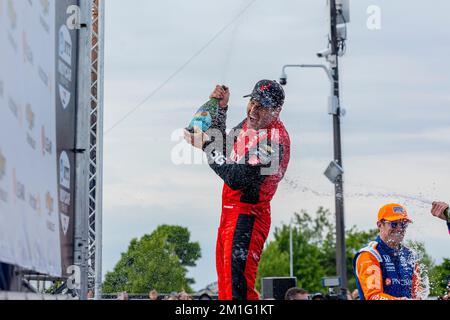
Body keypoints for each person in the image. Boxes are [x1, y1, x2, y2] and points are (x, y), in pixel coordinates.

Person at [184, 80, 291, 300]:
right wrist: (220, 109)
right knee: (225, 287)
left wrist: (205, 145)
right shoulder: (249, 123)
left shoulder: (274, 141)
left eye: (261, 106)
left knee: (237, 290)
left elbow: (235, 177)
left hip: (249, 216)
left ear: (276, 111)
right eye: (252, 102)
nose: (253, 110)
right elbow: (222, 145)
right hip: (229, 212)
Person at [353, 203, 422, 300]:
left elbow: (417, 294)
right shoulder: (370, 254)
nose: (399, 228)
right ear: (380, 225)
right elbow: (373, 296)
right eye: (394, 224)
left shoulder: (410, 255)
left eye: (403, 224)